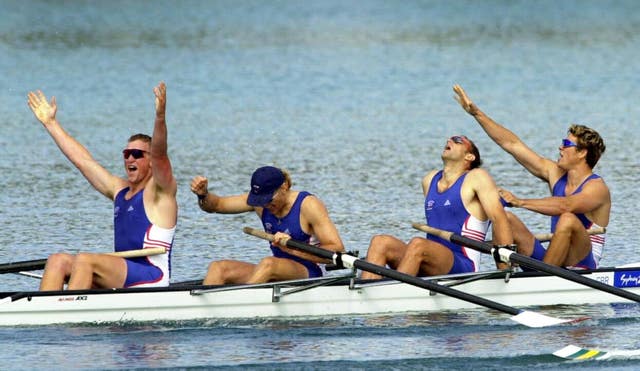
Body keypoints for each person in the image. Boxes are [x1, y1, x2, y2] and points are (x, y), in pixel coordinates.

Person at [27, 82, 178, 291]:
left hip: (152, 276)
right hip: (122, 273)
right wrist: (51, 123)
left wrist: (160, 118)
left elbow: (161, 154)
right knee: (57, 260)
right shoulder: (119, 190)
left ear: (151, 161)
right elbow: (83, 161)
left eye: (137, 154)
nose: (129, 159)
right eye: (126, 154)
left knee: (86, 260)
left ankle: (68, 312)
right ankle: (40, 315)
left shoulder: (160, 192)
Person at [453, 84, 609, 269]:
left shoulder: (597, 188)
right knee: (506, 219)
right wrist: (477, 114)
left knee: (567, 218)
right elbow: (512, 144)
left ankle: (542, 278)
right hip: (554, 260)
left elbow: (566, 205)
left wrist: (520, 202)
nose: (560, 147)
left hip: (582, 264)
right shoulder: (555, 173)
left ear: (582, 153)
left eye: (566, 144)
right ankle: (505, 276)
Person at [361, 135, 513, 280]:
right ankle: (365, 292)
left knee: (418, 244)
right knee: (380, 241)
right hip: (428, 259)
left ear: (469, 157)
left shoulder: (477, 177)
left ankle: (393, 294)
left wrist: (504, 272)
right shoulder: (429, 180)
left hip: (463, 263)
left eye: (457, 140)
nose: (449, 140)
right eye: (449, 139)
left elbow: (499, 219)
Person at [191, 166, 345, 285]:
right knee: (218, 268)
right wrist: (203, 195)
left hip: (311, 271)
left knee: (268, 263)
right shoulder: (260, 203)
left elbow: (337, 250)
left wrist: (293, 248)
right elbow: (216, 205)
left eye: (269, 200)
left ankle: (242, 306)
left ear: (284, 186)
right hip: (275, 269)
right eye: (261, 200)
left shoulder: (309, 205)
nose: (265, 205)